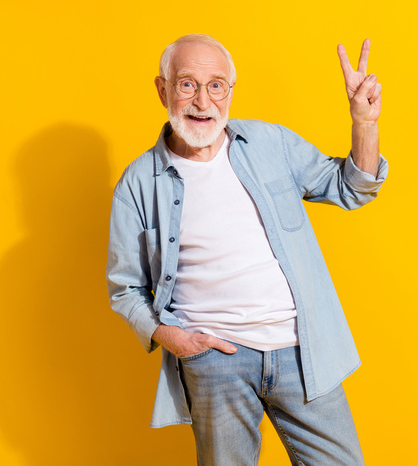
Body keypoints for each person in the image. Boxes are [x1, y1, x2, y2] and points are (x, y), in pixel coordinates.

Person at [106, 33, 388, 465]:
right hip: (213, 360)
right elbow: (126, 289)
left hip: (300, 349)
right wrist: (178, 341)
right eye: (187, 84)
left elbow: (351, 188)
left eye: (216, 85)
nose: (203, 101)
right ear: (163, 89)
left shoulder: (270, 143)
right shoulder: (138, 183)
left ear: (230, 92)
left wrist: (364, 124)